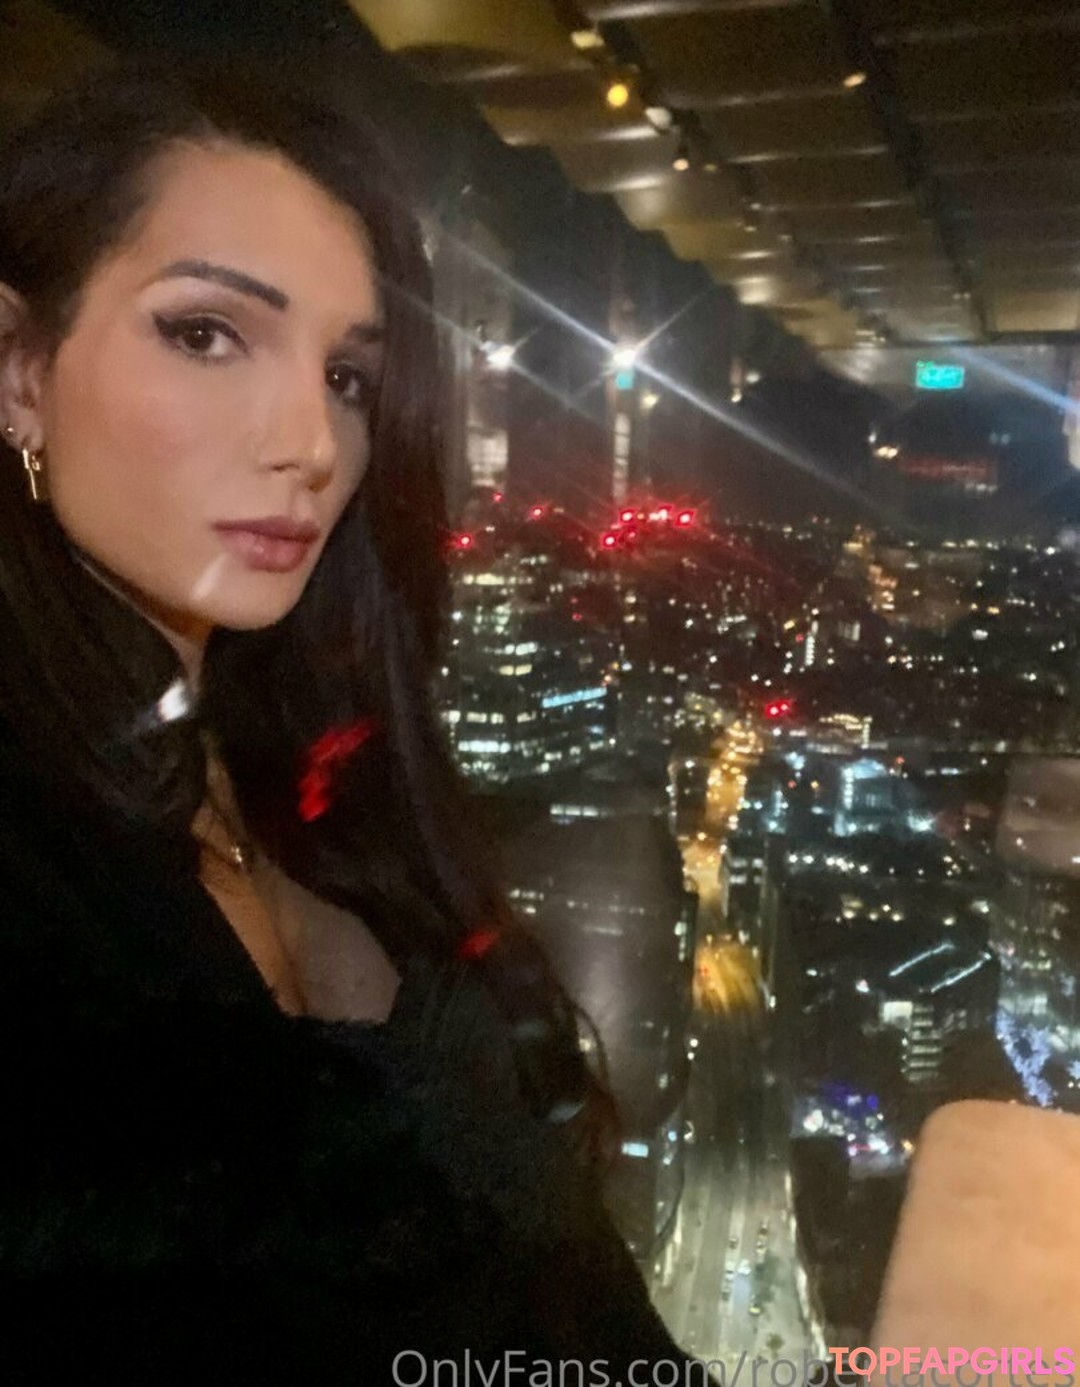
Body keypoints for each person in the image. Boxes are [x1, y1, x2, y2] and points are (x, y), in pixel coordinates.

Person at [0, 62, 706, 1383]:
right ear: (19, 373)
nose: (310, 444)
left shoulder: (322, 775)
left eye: (347, 377)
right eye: (205, 334)